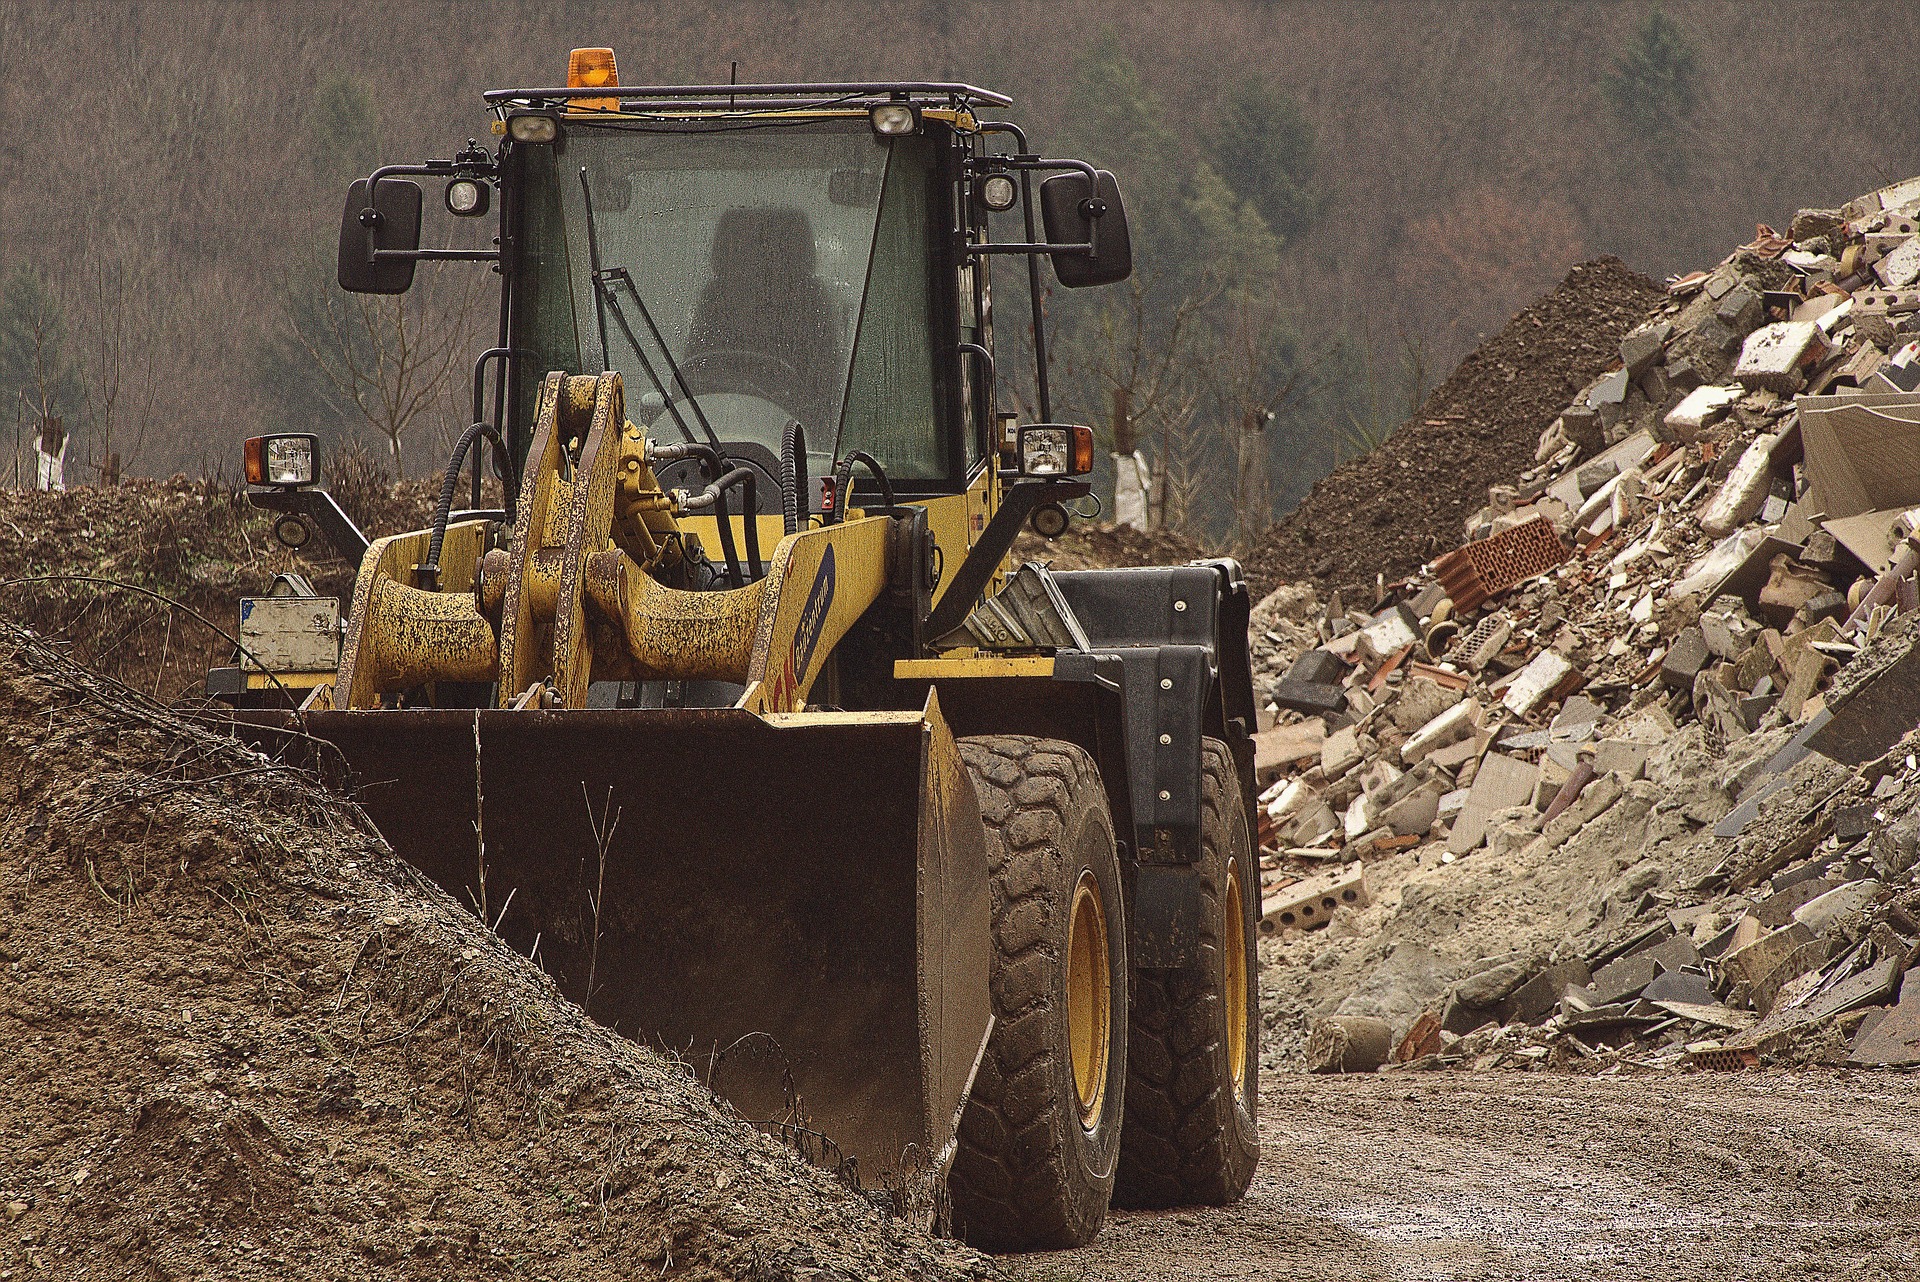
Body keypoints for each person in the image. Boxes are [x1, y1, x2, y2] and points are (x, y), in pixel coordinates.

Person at [684, 207, 842, 434]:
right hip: (715, 437)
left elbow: (827, 392)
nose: (759, 260)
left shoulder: (811, 303)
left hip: (797, 449)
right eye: (742, 250)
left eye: (771, 251)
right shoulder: (715, 300)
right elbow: (692, 377)